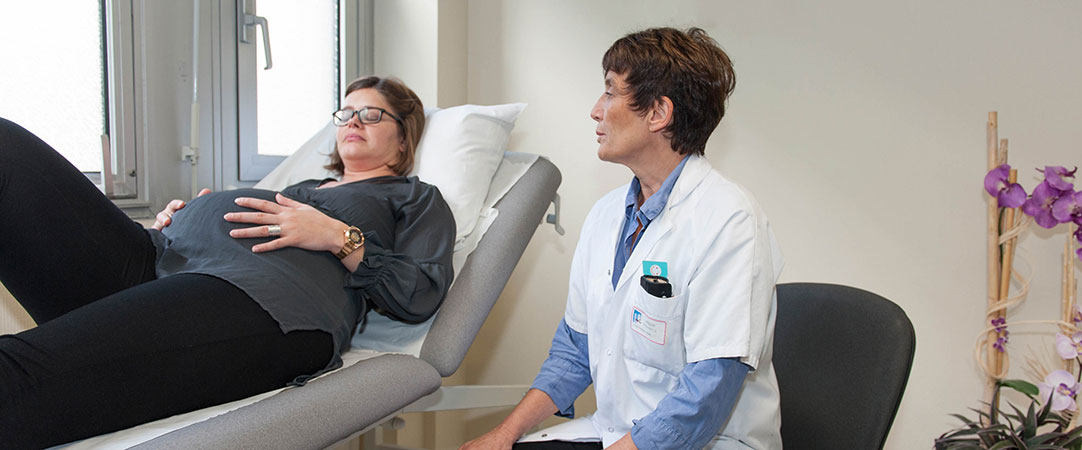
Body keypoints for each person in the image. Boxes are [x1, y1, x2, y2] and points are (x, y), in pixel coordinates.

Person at [0, 76, 456, 449]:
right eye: (346, 113)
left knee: (18, 372)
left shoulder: (414, 197)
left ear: (403, 140)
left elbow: (421, 292)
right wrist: (182, 222)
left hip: (265, 298)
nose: (353, 120)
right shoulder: (299, 189)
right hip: (157, 260)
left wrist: (337, 236)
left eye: (372, 114)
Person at [462, 28, 783, 450]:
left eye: (610, 92)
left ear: (658, 113)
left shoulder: (730, 221)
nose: (596, 111)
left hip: (708, 441)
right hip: (615, 430)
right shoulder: (606, 215)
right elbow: (575, 352)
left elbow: (707, 392)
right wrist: (504, 434)